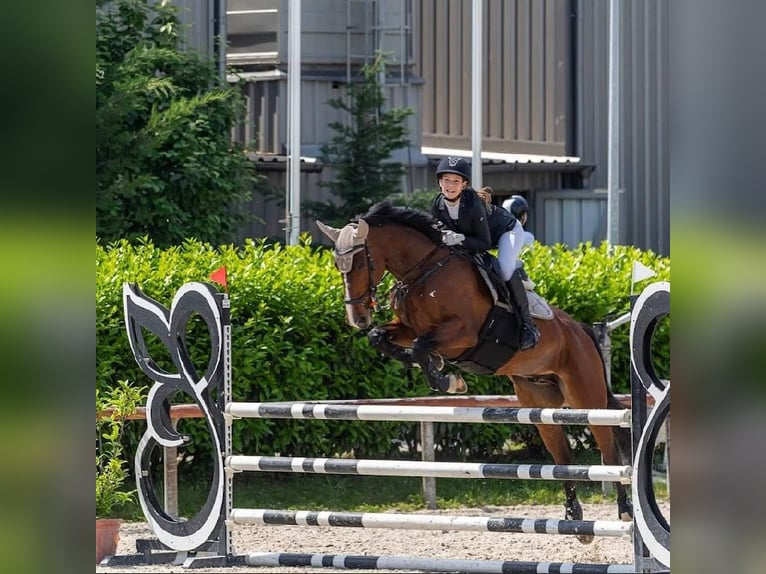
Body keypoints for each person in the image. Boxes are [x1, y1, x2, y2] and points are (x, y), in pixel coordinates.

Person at [476, 187, 540, 350]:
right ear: (524, 215)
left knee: (506, 268)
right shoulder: (529, 236)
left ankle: (528, 325)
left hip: (512, 265)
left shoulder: (524, 236)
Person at [430, 157, 491, 252]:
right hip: (471, 244)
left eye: (456, 181)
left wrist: (460, 239)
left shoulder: (473, 204)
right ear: (440, 182)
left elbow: (484, 243)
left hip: (505, 231)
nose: (451, 185)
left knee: (506, 264)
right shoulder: (437, 204)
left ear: (464, 185)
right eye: (446, 180)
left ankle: (517, 266)